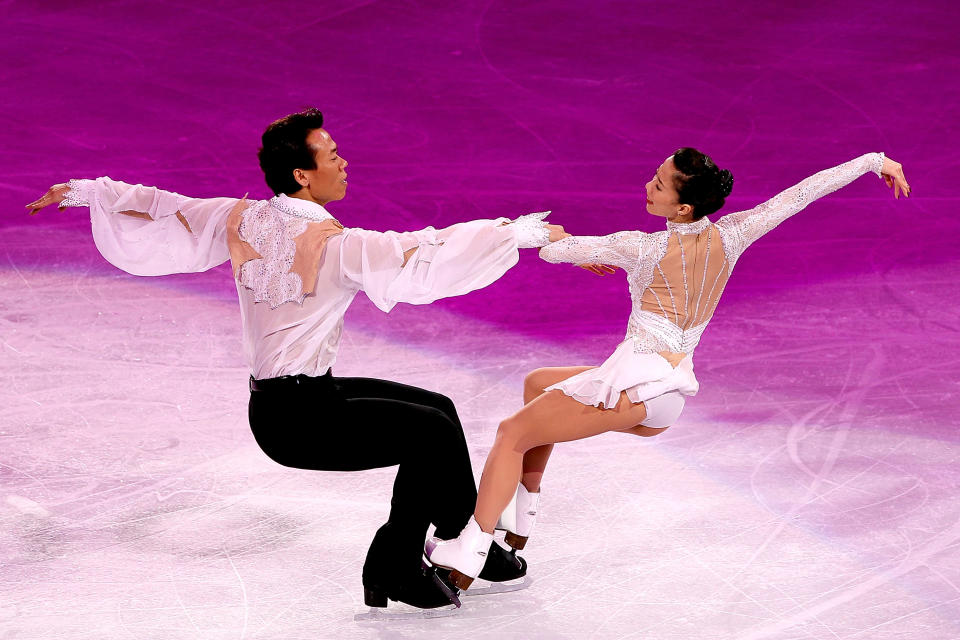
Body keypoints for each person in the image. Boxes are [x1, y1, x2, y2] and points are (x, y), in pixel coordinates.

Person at [25, 108, 571, 610]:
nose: (344, 161)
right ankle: (394, 566)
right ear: (303, 175)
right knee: (426, 432)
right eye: (332, 155)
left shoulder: (242, 219)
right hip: (300, 422)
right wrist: (514, 233)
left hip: (297, 401)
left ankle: (463, 539)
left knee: (439, 407)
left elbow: (171, 209)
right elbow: (418, 253)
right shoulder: (333, 243)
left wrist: (87, 191)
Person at [425, 149, 911, 590]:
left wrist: (558, 239)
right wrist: (873, 161)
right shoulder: (734, 234)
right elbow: (800, 194)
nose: (647, 186)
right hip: (667, 398)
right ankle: (522, 518)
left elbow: (552, 250)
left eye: (659, 184)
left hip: (634, 385)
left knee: (512, 433)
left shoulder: (642, 248)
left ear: (682, 207)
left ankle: (469, 551)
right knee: (538, 385)